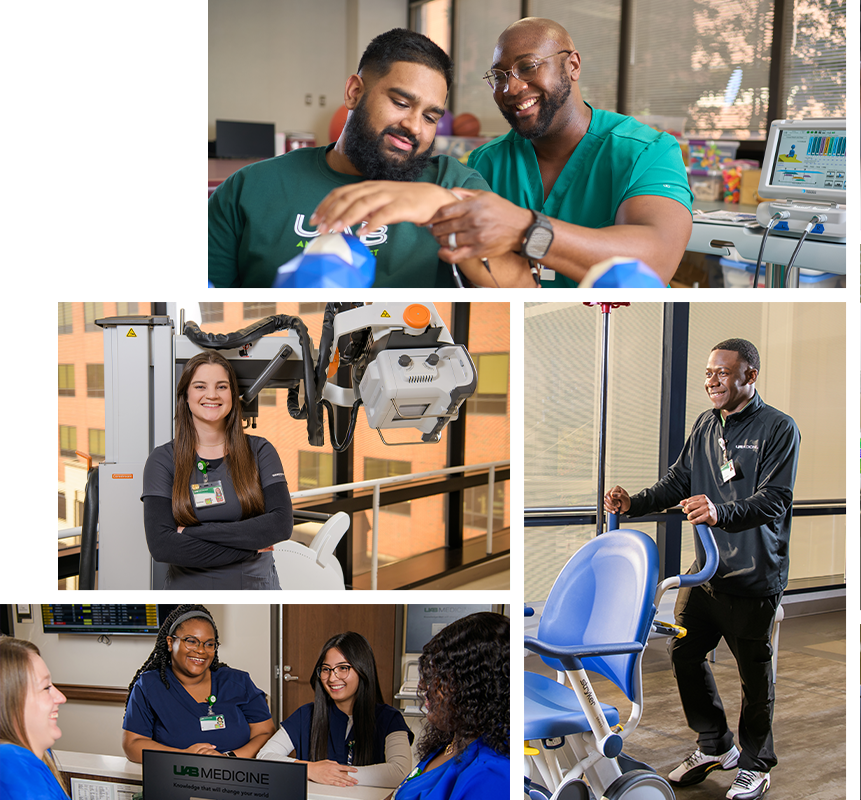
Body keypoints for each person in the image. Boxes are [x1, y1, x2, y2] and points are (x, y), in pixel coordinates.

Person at [604, 339, 800, 800]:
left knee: (755, 677)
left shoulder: (778, 428)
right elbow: (678, 480)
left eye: (723, 373)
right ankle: (715, 745)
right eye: (709, 373)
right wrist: (634, 503)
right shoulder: (706, 425)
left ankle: (756, 764)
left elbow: (776, 499)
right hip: (707, 573)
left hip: (754, 577)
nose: (712, 381)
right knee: (685, 654)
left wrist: (720, 511)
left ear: (750, 376)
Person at [207, 28, 511, 289]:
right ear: (354, 92)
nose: (414, 127)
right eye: (401, 103)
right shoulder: (249, 188)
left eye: (430, 117)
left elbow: (520, 283)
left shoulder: (454, 183)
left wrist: (445, 207)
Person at [423, 17, 695, 289]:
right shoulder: (488, 161)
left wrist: (525, 229)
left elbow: (654, 266)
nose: (511, 88)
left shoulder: (647, 151)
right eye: (499, 76)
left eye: (528, 67)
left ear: (573, 65)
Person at [141, 350, 293, 590]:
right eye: (200, 386)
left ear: (232, 394)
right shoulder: (163, 460)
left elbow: (280, 525)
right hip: (188, 590)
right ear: (186, 395)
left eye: (221, 387)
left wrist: (193, 533)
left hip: (254, 587)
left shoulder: (260, 451)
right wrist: (251, 546)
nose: (211, 394)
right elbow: (162, 546)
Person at [257, 632, 412, 787]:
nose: (332, 678)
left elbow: (400, 772)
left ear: (363, 670)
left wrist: (333, 774)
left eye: (343, 668)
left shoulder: (390, 718)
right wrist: (310, 769)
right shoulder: (305, 715)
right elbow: (264, 757)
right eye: (326, 669)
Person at [122, 605, 275, 761]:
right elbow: (133, 743)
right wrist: (184, 756)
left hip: (236, 774)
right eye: (191, 641)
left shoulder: (237, 682)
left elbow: (266, 732)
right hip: (177, 774)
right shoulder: (149, 686)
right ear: (170, 642)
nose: (201, 650)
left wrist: (229, 758)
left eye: (209, 644)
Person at [393, 612, 508, 800]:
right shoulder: (452, 742)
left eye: (439, 678)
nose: (422, 686)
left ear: (474, 687)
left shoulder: (491, 775)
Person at [0, 638, 69, 800]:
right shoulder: (12, 762)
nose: (61, 697)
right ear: (10, 701)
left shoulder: (37, 758)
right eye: (46, 687)